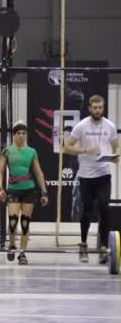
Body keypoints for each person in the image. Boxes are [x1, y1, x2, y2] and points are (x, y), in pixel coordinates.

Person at [63, 95, 119, 263]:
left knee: (104, 207)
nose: (97, 110)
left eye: (100, 107)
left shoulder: (109, 125)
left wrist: (116, 155)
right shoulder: (82, 126)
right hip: (86, 175)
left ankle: (103, 247)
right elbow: (66, 146)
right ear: (89, 108)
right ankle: (83, 244)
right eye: (94, 107)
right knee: (86, 210)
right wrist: (86, 150)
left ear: (103, 107)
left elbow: (116, 145)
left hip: (103, 173)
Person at [0, 120, 48, 265]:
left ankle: (23, 253)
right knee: (13, 221)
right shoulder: (7, 151)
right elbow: (0, 171)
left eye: (23, 133)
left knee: (25, 223)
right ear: (13, 135)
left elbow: (38, 173)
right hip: (13, 190)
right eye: (18, 133)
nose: (21, 135)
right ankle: (12, 245)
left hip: (29, 190)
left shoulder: (32, 152)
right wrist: (0, 188)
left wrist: (44, 192)